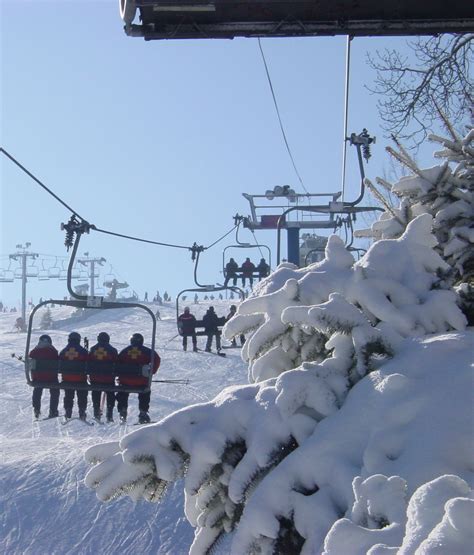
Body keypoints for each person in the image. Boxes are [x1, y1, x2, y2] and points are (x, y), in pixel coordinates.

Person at [117, 333, 160, 424]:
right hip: (141, 382)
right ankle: (143, 413)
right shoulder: (147, 351)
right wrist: (151, 372)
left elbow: (117, 363)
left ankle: (122, 411)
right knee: (145, 392)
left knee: (122, 392)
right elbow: (156, 359)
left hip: (125, 381)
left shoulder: (125, 351)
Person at [88, 332, 118, 422]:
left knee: (96, 392)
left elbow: (88, 363)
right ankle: (109, 414)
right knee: (110, 392)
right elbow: (117, 364)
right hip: (108, 379)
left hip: (95, 379)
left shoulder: (93, 349)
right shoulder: (112, 350)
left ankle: (96, 412)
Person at [29, 334, 60, 419]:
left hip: (38, 378)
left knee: (37, 389)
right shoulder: (53, 351)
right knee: (55, 391)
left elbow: (30, 355)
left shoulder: (35, 351)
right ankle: (53, 410)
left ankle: (36, 408)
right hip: (51, 378)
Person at [59, 331, 88, 420]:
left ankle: (68, 409)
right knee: (82, 393)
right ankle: (82, 410)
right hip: (80, 379)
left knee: (68, 394)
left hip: (67, 379)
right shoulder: (83, 351)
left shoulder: (64, 351)